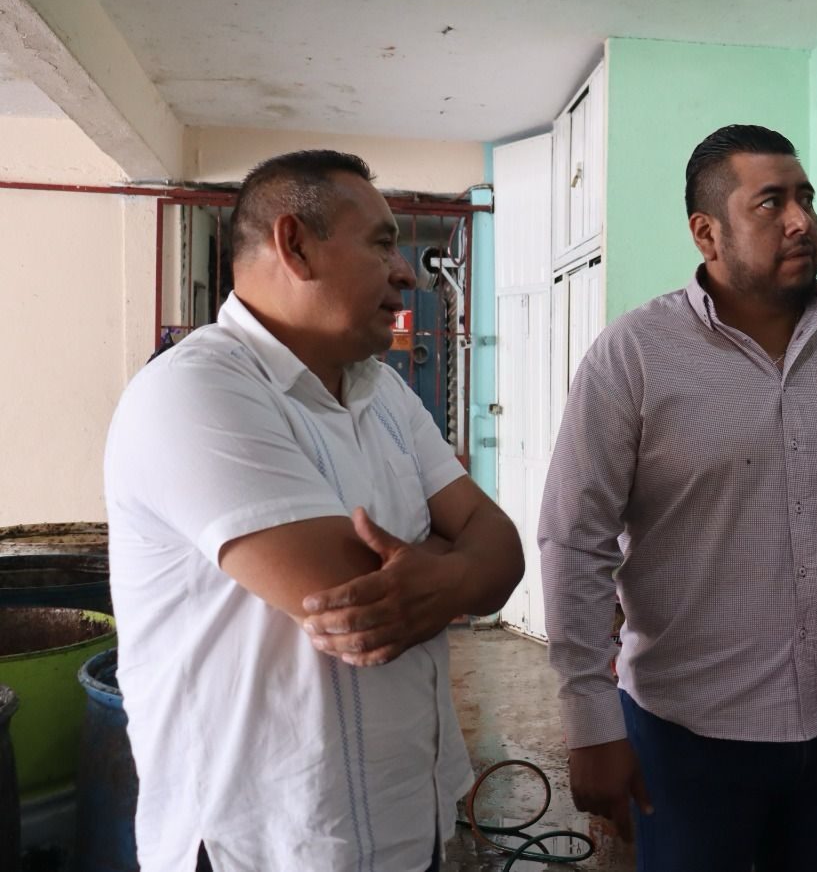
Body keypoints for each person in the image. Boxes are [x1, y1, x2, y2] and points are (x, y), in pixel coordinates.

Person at [539, 124, 817, 871]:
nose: (801, 220)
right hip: (689, 737)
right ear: (707, 233)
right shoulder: (633, 356)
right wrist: (589, 720)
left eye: (806, 198)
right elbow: (575, 541)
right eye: (771, 203)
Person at [104, 150, 524, 871]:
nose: (406, 273)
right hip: (264, 845)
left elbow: (504, 547)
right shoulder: (193, 391)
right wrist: (458, 564)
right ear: (295, 245)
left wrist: (446, 576)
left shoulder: (385, 394)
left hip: (407, 824)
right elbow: (352, 599)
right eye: (382, 244)